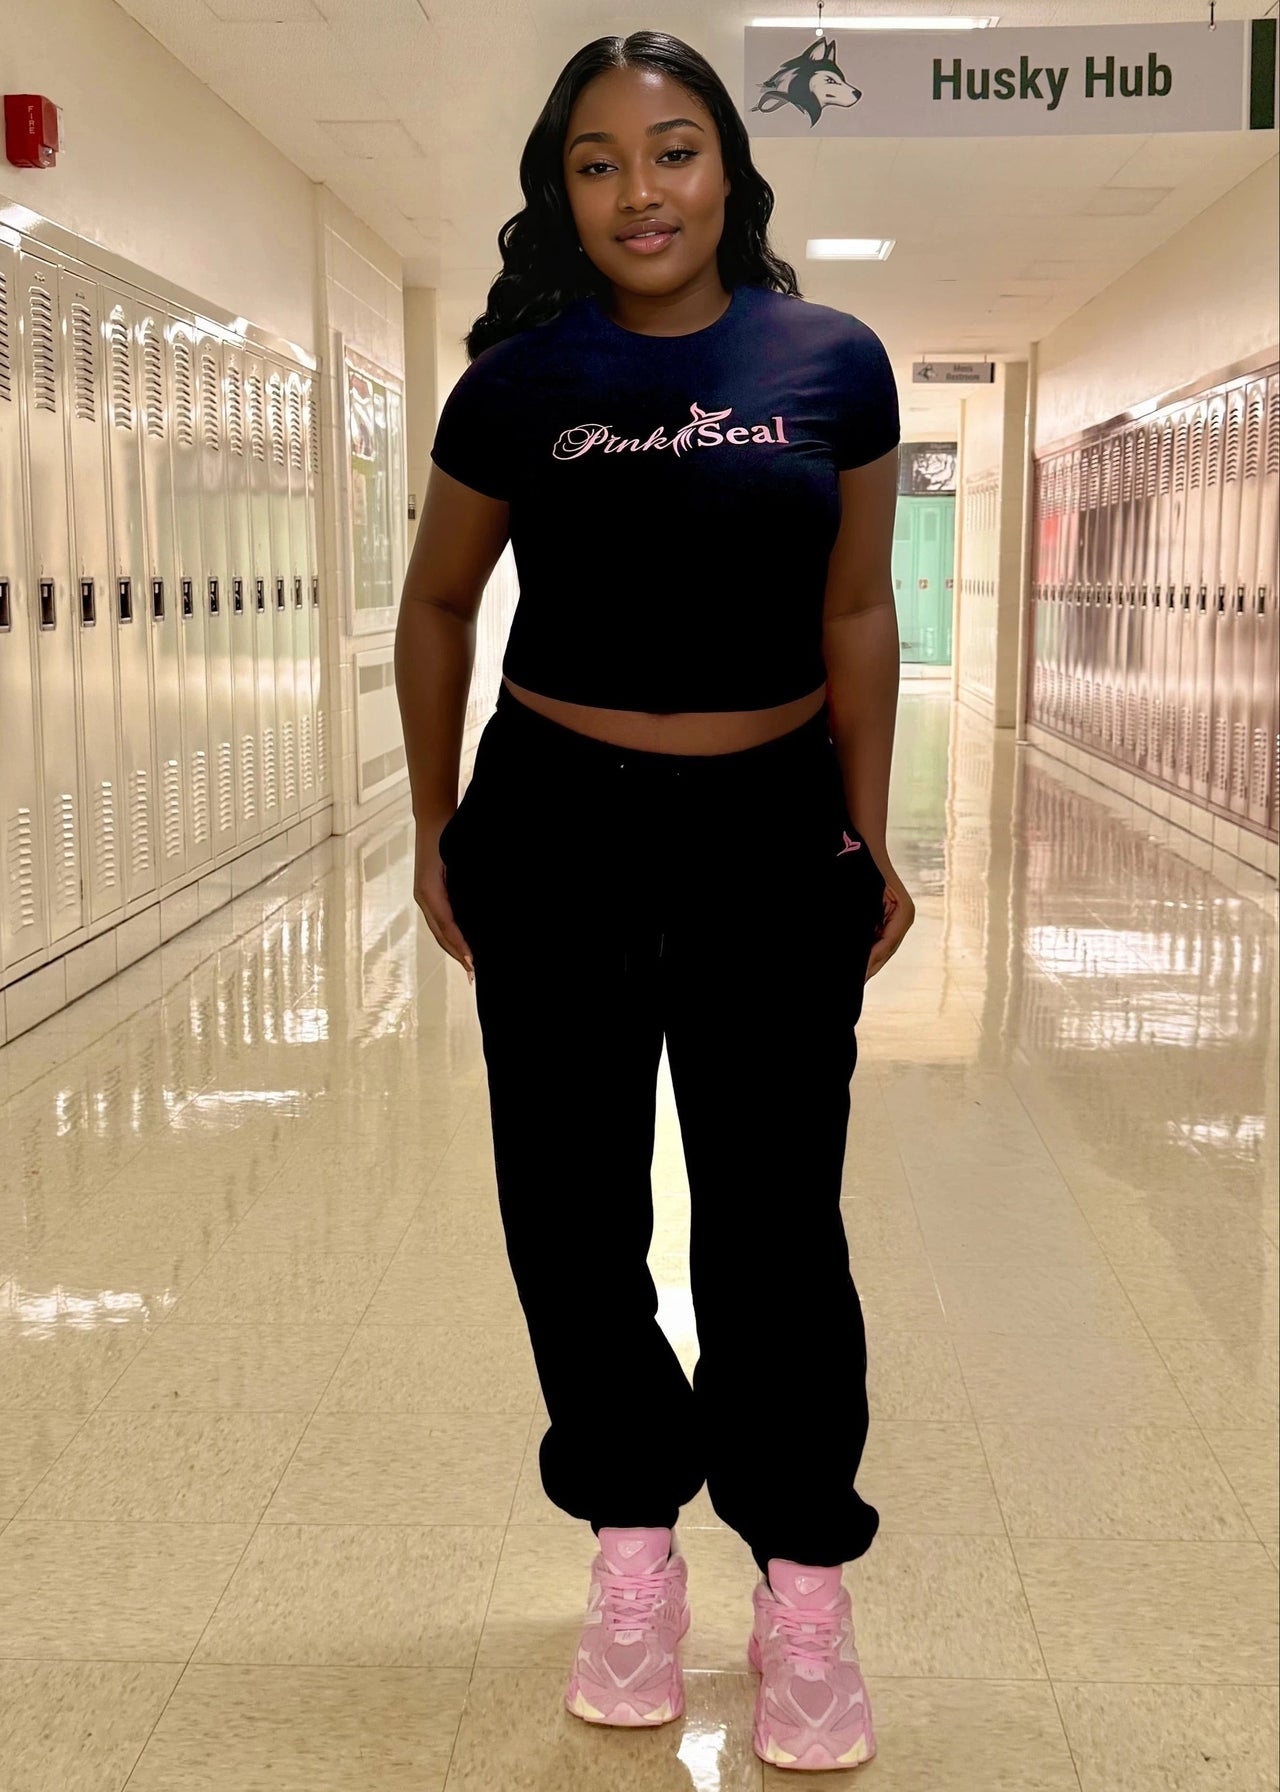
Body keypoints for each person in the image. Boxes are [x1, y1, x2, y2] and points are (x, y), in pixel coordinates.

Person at [394, 29, 913, 1774]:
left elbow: (855, 613)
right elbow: (439, 607)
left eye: (675, 151)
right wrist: (435, 821)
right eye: (601, 160)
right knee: (570, 1204)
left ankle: (798, 1578)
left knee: (776, 1221)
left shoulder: (832, 363)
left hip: (772, 828)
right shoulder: (516, 385)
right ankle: (630, 1547)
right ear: (561, 186)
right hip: (557, 822)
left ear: (729, 173)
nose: (641, 190)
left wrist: (867, 829)